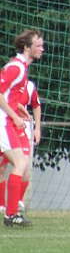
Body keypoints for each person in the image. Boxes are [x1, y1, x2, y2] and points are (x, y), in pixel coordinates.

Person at [0, 29, 44, 227]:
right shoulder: (15, 67)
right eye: (38, 45)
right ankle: (10, 215)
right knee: (19, 164)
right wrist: (12, 115)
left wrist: (18, 109)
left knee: (23, 167)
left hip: (10, 120)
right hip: (3, 122)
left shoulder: (23, 68)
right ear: (27, 48)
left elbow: (8, 95)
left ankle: (11, 213)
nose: (42, 48)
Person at [0, 81, 41, 216]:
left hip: (21, 129)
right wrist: (18, 108)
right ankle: (3, 206)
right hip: (5, 126)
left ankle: (17, 202)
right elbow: (6, 100)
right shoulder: (6, 84)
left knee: (25, 168)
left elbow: (36, 105)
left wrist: (37, 128)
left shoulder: (30, 86)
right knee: (2, 168)